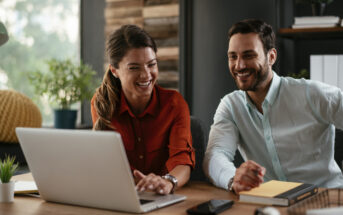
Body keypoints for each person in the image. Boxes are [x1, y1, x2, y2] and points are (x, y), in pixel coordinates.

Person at [203, 19, 343, 194]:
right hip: (270, 202)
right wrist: (234, 180)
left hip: (325, 199)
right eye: (233, 56)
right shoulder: (231, 106)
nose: (239, 65)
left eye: (249, 55)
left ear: (271, 57)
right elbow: (215, 155)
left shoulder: (312, 94)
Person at [91, 25, 195, 195]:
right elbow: (110, 162)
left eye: (151, 64)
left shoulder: (175, 104)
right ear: (114, 71)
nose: (146, 75)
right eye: (134, 67)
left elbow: (182, 160)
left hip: (163, 196)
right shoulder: (101, 103)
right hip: (121, 194)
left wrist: (168, 182)